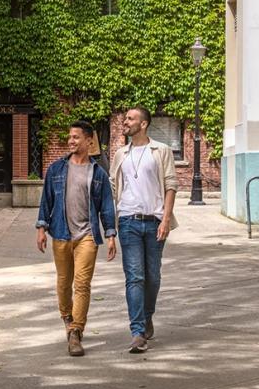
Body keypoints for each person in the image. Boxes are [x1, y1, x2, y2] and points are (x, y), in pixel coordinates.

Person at [36, 120, 117, 357]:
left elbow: (106, 206)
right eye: (69, 137)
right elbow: (46, 201)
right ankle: (67, 317)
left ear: (89, 140)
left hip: (87, 235)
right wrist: (41, 228)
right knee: (63, 283)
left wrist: (110, 234)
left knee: (82, 284)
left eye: (76, 137)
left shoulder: (98, 173)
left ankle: (76, 332)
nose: (71, 141)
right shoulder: (56, 169)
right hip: (60, 233)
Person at [110, 106, 178, 353]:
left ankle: (147, 315)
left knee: (153, 276)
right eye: (125, 118)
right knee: (135, 276)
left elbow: (171, 185)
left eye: (130, 118)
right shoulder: (121, 154)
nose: (125, 122)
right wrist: (112, 219)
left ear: (144, 124)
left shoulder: (161, 151)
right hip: (128, 221)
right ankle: (137, 331)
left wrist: (166, 219)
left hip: (154, 221)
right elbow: (114, 188)